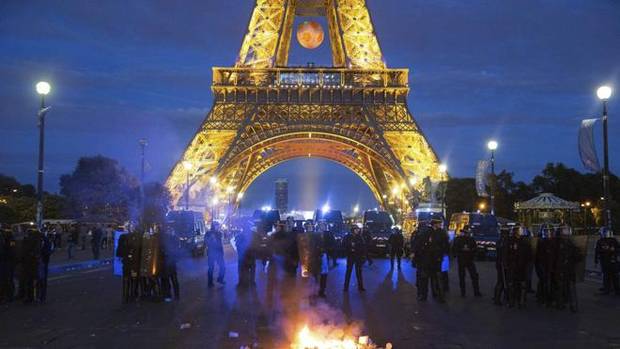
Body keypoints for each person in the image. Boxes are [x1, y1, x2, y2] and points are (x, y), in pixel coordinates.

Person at [412, 219, 448, 302]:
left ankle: (435, 295)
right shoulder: (428, 233)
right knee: (429, 278)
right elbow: (419, 244)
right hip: (428, 259)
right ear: (435, 224)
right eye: (439, 223)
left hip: (433, 259)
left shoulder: (440, 233)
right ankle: (427, 295)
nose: (440, 225)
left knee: (434, 279)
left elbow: (445, 245)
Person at [554, 226, 582, 312]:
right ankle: (561, 304)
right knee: (561, 287)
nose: (565, 235)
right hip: (561, 269)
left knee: (570, 287)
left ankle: (572, 305)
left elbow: (578, 257)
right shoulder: (557, 244)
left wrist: (576, 255)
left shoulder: (571, 244)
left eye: (567, 232)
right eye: (564, 232)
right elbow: (555, 257)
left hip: (568, 269)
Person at [506, 226, 533, 308]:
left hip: (522, 267)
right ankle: (511, 301)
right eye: (519, 231)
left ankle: (521, 302)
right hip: (513, 266)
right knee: (512, 285)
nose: (520, 232)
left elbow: (529, 255)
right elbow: (506, 253)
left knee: (522, 285)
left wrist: (526, 264)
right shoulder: (510, 241)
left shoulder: (525, 243)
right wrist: (507, 263)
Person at [452, 226, 481, 297]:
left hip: (468, 259)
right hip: (464, 259)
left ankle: (474, 292)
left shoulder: (469, 239)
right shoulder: (459, 239)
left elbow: (475, 249)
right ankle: (465, 292)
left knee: (473, 276)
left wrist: (471, 251)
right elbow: (454, 249)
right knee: (464, 276)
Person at [116, 227, 142, 303]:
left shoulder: (123, 237)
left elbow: (119, 251)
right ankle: (133, 295)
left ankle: (125, 296)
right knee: (134, 278)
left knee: (126, 278)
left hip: (127, 263)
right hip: (134, 265)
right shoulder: (139, 238)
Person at [594, 227, 620, 295]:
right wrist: (596, 261)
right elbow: (597, 251)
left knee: (613, 276)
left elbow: (618, 249)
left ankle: (614, 289)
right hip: (606, 261)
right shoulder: (600, 241)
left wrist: (613, 251)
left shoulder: (613, 240)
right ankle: (608, 289)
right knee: (607, 276)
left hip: (612, 261)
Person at [535, 225, 556, 307]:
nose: (549, 233)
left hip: (551, 264)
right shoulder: (541, 242)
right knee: (543, 281)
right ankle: (542, 297)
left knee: (551, 281)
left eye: (550, 231)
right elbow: (538, 256)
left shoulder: (554, 242)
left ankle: (551, 297)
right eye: (547, 231)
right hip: (542, 265)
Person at [21, 229, 42, 303]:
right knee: (35, 280)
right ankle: (36, 297)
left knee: (30, 280)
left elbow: (24, 250)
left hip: (29, 262)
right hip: (35, 262)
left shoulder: (29, 240)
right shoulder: (38, 239)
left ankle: (31, 297)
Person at [343, 226, 366, 292]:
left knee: (359, 272)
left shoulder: (360, 237)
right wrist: (350, 245)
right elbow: (343, 244)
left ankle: (360, 287)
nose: (357, 230)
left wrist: (363, 256)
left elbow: (363, 246)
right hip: (350, 256)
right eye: (356, 229)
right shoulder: (347, 237)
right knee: (348, 272)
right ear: (353, 230)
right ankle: (346, 287)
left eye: (358, 229)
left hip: (358, 256)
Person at [160, 228, 180, 301]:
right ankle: (176, 295)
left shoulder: (165, 239)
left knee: (167, 279)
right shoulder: (174, 238)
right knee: (173, 279)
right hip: (170, 261)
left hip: (167, 262)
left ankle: (168, 295)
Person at [494, 229, 510, 305]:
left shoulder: (500, 241)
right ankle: (497, 299)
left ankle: (497, 297)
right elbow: (503, 254)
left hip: (500, 264)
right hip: (502, 264)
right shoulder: (504, 242)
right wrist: (505, 264)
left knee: (501, 281)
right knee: (502, 282)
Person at [207, 222, 226, 287]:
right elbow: (206, 242)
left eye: (218, 225)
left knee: (223, 267)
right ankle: (210, 283)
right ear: (213, 226)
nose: (217, 226)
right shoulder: (208, 233)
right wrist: (211, 238)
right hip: (211, 253)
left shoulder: (219, 233)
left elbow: (220, 241)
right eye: (216, 225)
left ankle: (220, 279)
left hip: (219, 253)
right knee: (211, 268)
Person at [37, 228, 54, 303]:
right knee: (41, 279)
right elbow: (50, 250)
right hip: (43, 260)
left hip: (42, 261)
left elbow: (49, 250)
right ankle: (41, 296)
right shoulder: (46, 240)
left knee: (41, 279)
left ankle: (41, 296)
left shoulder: (44, 240)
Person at [0, 229, 16, 302]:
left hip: (7, 261)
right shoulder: (9, 238)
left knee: (7, 279)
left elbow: (11, 249)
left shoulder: (10, 239)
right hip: (6, 261)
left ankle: (8, 296)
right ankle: (6, 296)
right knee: (6, 279)